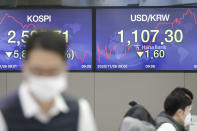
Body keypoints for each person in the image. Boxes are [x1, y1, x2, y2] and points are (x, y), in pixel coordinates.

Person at [0, 31, 97, 131]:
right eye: (37, 71)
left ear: (65, 68)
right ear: (24, 67)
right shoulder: (3, 114)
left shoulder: (80, 110)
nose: (44, 78)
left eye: (52, 71)